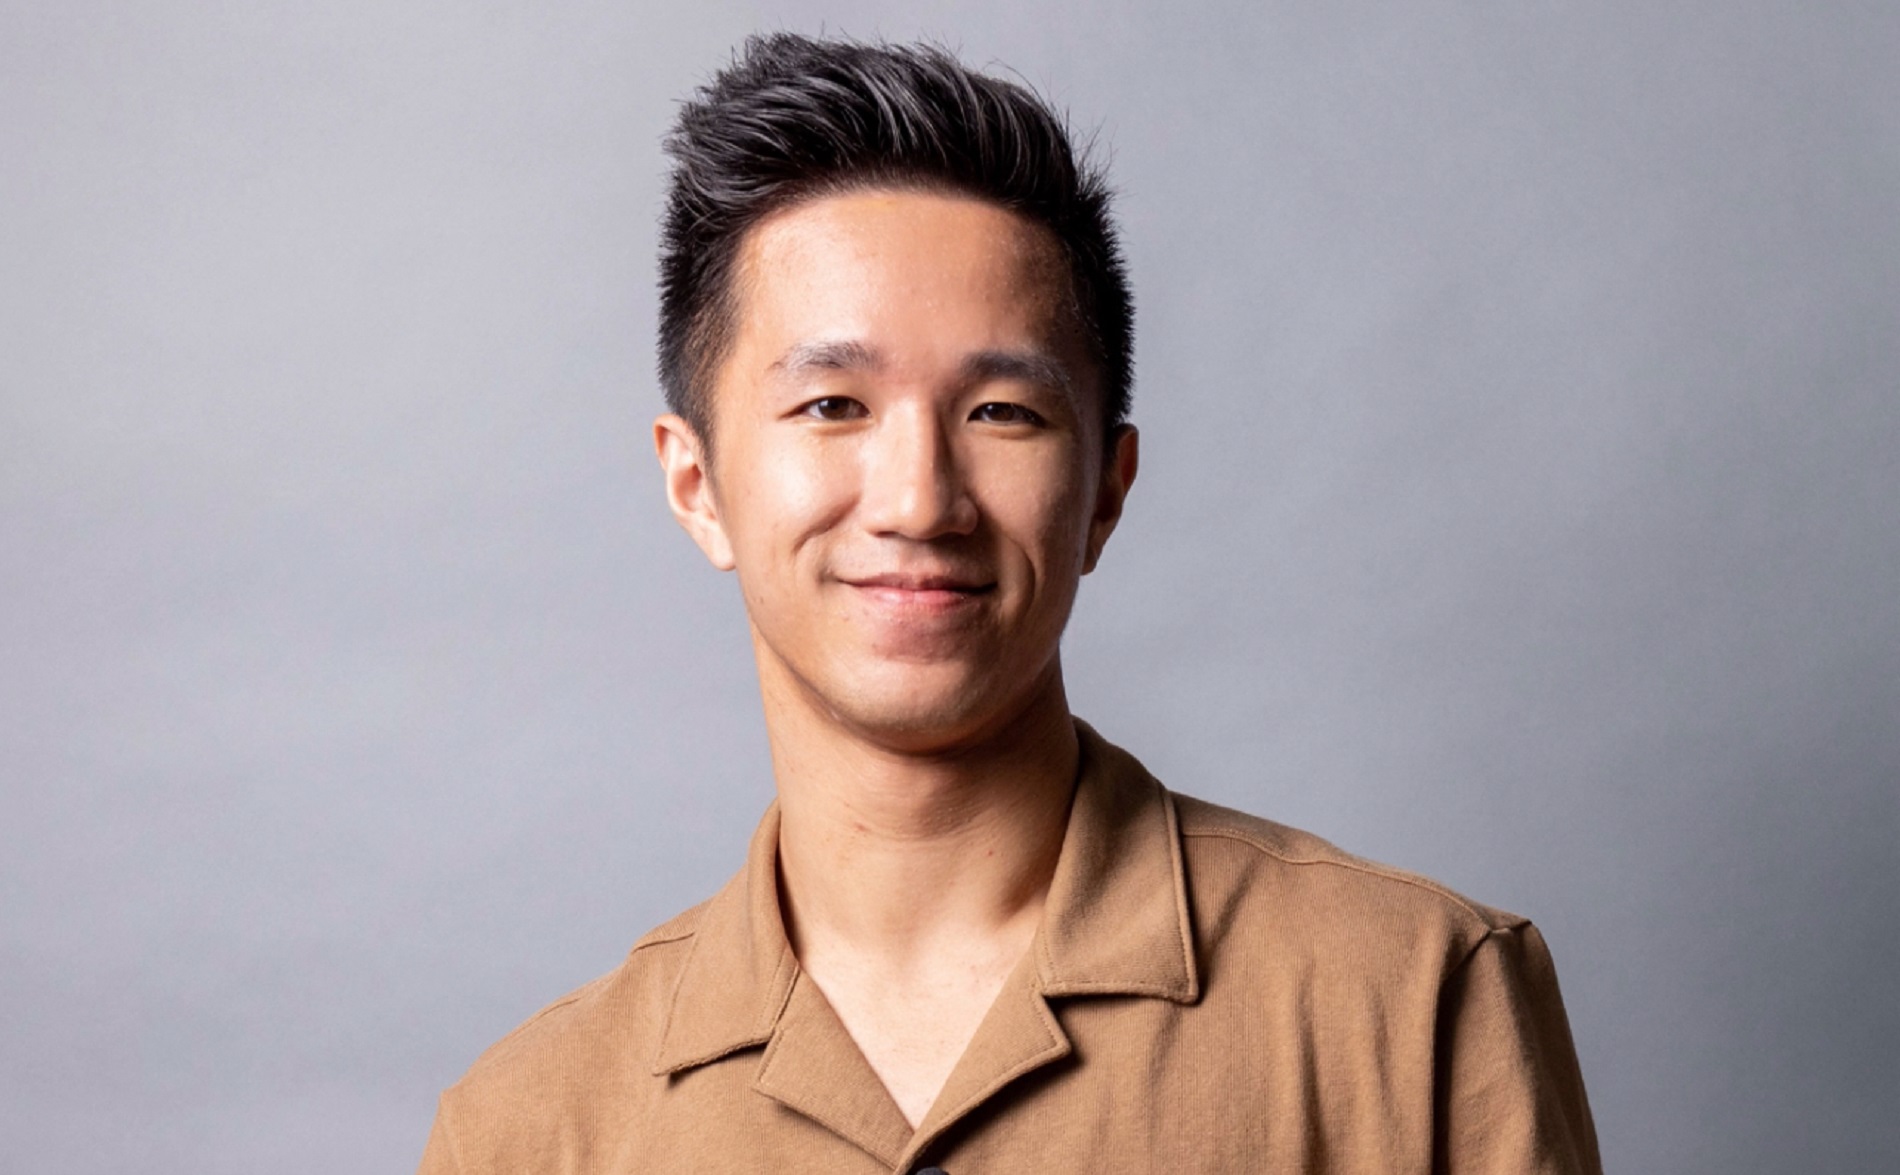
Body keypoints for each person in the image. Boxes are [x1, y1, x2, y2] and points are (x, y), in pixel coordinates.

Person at [418, 33, 1601, 1175]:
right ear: (697, 484)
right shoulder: (526, 1127)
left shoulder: (1414, 996)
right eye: (832, 405)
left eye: (1002, 412)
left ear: (1105, 492)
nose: (919, 500)